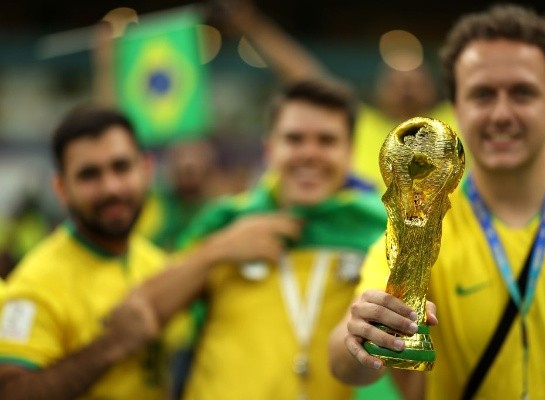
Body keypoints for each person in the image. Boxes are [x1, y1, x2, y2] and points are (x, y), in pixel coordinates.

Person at [328, 4, 545, 400]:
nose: (502, 114)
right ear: (457, 109)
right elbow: (343, 362)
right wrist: (360, 337)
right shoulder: (417, 229)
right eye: (482, 95)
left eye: (522, 93)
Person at [0, 104, 289, 399]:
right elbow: (11, 392)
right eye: (90, 175)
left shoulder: (152, 262)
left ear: (146, 169)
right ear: (62, 188)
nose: (111, 187)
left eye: (121, 167)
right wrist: (110, 345)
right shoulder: (34, 285)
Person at [173, 79, 388, 399]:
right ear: (269, 148)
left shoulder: (380, 231)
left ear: (350, 152)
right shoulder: (225, 221)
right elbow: (152, 311)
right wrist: (217, 250)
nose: (309, 154)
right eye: (294, 139)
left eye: (326, 140)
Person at [215, 0, 442, 194]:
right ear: (379, 90)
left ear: (433, 87)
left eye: (416, 82)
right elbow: (302, 73)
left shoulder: (452, 124)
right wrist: (250, 23)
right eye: (396, 82)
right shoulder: (360, 122)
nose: (406, 89)